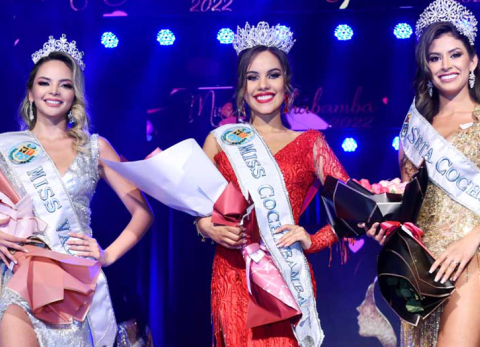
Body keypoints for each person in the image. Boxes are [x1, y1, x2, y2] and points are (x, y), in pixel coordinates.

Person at [196, 22, 349, 346]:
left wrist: (314, 239)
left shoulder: (310, 143)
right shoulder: (220, 141)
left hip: (285, 275)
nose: (263, 85)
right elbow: (193, 205)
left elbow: (357, 206)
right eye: (253, 77)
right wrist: (206, 226)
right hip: (233, 274)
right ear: (241, 86)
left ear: (287, 83)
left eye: (273, 75)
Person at [0, 34, 154, 347]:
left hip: (76, 284)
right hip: (20, 279)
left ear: (75, 94)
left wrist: (107, 254)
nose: (54, 92)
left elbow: (143, 212)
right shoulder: (5, 146)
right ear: (31, 92)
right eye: (44, 83)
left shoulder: (95, 148)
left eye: (65, 84)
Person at [366, 0, 480, 346]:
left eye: (455, 55)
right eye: (435, 57)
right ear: (426, 67)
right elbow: (411, 197)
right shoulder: (415, 126)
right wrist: (388, 221)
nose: (446, 65)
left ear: (473, 61)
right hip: (419, 263)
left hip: (471, 255)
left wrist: (469, 243)